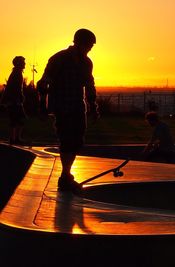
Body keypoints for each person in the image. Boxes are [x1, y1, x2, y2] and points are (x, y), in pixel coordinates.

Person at [37, 28, 99, 194]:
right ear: (79, 42)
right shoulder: (59, 59)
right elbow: (44, 83)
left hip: (78, 107)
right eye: (89, 45)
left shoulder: (87, 63)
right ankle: (65, 176)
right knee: (66, 140)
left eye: (92, 46)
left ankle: (66, 175)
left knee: (77, 141)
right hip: (62, 106)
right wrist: (42, 105)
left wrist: (93, 106)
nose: (90, 48)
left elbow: (90, 85)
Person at [0, 56, 27, 145]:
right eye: (23, 62)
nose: (25, 64)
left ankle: (15, 138)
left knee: (17, 119)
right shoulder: (17, 73)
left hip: (14, 100)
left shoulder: (16, 72)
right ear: (19, 63)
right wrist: (19, 98)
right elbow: (15, 88)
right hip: (14, 101)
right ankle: (15, 139)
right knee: (17, 119)